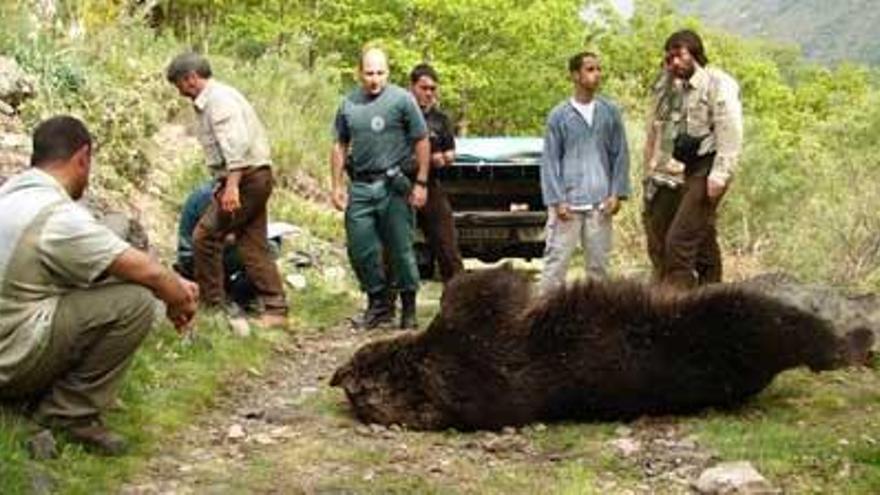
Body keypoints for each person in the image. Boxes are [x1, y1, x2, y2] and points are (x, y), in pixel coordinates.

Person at [0, 116, 198, 456]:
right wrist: (178, 296)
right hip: (9, 356)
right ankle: (68, 414)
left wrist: (170, 281)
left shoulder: (10, 196)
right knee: (134, 302)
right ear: (83, 157)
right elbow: (147, 273)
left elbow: (102, 263)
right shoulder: (57, 216)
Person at [166, 52, 288, 327]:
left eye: (179, 85)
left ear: (191, 78)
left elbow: (236, 145)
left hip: (246, 177)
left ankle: (213, 307)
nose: (180, 92)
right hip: (251, 177)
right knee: (252, 244)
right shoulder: (215, 99)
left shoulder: (218, 101)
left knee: (204, 237)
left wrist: (232, 186)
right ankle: (276, 309)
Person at [330, 46, 430, 330]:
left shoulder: (402, 100)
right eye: (369, 73)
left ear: (388, 72)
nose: (375, 79)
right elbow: (339, 144)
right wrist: (336, 185)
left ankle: (408, 306)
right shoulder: (349, 103)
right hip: (360, 185)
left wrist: (421, 182)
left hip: (394, 184)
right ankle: (378, 304)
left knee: (401, 248)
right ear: (359, 72)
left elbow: (422, 140)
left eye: (380, 72)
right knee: (361, 248)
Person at [653, 30, 743, 290]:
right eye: (670, 59)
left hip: (710, 167)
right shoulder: (681, 88)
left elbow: (730, 128)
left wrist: (721, 174)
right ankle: (712, 296)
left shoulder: (718, 83)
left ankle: (678, 307)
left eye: (679, 55)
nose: (675, 63)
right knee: (702, 239)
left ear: (694, 51)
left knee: (678, 242)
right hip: (692, 168)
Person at [538, 51, 631, 295]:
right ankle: (542, 319)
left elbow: (620, 154)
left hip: (600, 204)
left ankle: (597, 322)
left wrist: (617, 194)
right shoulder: (559, 115)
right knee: (555, 266)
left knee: (599, 269)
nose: (596, 74)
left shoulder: (609, 112)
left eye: (598, 69)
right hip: (567, 204)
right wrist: (557, 201)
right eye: (590, 69)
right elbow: (549, 161)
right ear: (575, 75)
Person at [641, 65, 720, 284]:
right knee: (659, 250)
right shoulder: (661, 95)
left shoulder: (705, 92)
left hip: (691, 180)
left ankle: (711, 299)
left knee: (701, 248)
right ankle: (667, 303)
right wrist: (647, 173)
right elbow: (651, 136)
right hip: (659, 181)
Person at [408, 63, 464, 283]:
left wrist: (444, 158)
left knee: (448, 248)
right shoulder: (400, 115)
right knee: (394, 248)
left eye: (432, 89)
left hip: (432, 185)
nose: (429, 93)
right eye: (424, 88)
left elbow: (450, 151)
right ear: (412, 87)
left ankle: (458, 298)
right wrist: (424, 158)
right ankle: (387, 305)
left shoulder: (440, 119)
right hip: (404, 184)